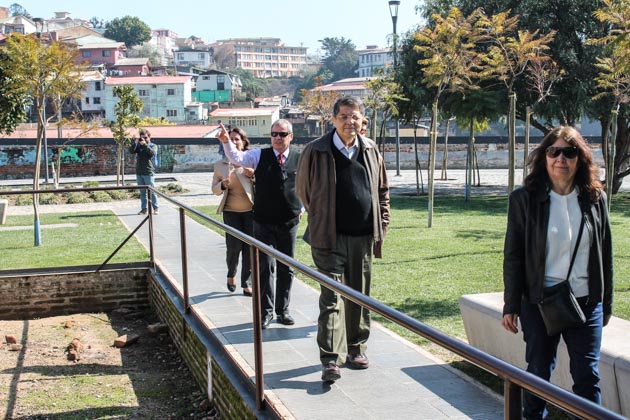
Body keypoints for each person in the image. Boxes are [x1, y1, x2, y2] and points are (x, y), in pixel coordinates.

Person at [502, 126, 613, 419]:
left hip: (586, 302)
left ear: (580, 159)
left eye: (569, 152)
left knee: (587, 376)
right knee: (538, 373)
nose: (560, 159)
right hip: (539, 301)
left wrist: (606, 303)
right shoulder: (524, 199)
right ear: (544, 156)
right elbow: (513, 256)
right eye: (554, 152)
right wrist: (511, 305)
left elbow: (605, 254)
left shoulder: (595, 199)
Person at [296, 96, 390, 383]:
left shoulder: (370, 149)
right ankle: (330, 360)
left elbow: (382, 190)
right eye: (344, 116)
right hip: (328, 238)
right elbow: (304, 190)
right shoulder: (316, 150)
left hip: (363, 237)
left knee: (359, 297)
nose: (350, 121)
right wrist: (321, 217)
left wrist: (383, 223)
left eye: (355, 116)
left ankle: (356, 348)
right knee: (331, 298)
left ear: (363, 120)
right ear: (334, 120)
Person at [217, 119, 301, 329]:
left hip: (288, 222)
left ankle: (283, 310)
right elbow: (237, 158)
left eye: (282, 134)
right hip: (263, 221)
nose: (278, 138)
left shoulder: (300, 158)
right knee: (264, 267)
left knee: (286, 267)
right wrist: (227, 142)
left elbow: (308, 185)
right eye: (274, 134)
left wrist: (302, 209)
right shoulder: (259, 155)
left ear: (291, 136)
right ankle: (266, 312)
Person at [212, 127, 255, 297]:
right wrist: (222, 185)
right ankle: (231, 274)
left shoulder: (251, 160)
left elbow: (263, 183)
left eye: (237, 139)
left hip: (251, 212)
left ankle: (247, 283)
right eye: (230, 139)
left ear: (243, 142)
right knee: (234, 247)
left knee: (250, 248)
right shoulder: (220, 165)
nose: (234, 142)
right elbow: (214, 189)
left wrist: (253, 175)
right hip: (231, 212)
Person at [129, 128, 159, 215]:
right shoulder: (139, 146)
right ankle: (144, 209)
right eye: (142, 137)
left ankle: (156, 208)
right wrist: (135, 143)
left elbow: (151, 153)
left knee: (152, 191)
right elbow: (131, 151)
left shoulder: (153, 146)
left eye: (146, 137)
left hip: (148, 172)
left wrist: (145, 144)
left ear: (149, 137)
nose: (144, 139)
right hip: (139, 172)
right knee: (142, 192)